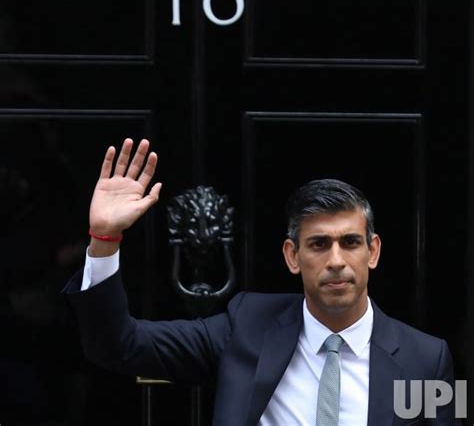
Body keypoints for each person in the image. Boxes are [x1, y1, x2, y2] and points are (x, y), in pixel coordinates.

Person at [64, 138, 460, 425]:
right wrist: (104, 239)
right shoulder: (248, 327)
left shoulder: (425, 360)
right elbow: (117, 346)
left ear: (372, 252)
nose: (336, 261)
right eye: (319, 244)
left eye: (350, 242)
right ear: (292, 256)